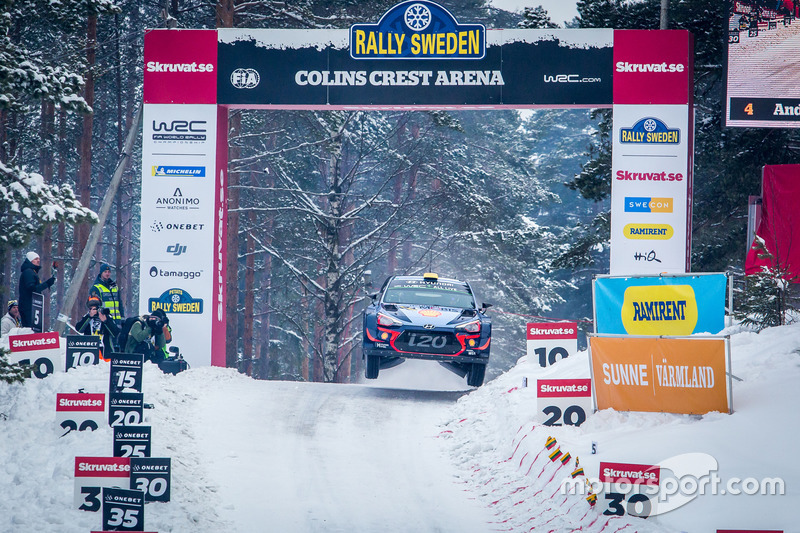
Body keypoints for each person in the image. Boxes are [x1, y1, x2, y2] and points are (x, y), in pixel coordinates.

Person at [18, 251, 56, 328]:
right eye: (35, 259)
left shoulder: (32, 272)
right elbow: (32, 288)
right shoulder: (28, 272)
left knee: (31, 329)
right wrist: (47, 283)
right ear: (30, 260)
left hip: (31, 305)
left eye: (39, 258)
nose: (38, 260)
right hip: (28, 306)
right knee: (29, 329)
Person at [76, 296, 120, 360]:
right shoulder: (87, 317)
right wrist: (89, 317)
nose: (94, 310)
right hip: (90, 350)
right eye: (91, 308)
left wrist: (105, 321)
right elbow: (79, 329)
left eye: (95, 308)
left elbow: (115, 332)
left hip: (105, 351)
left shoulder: (106, 316)